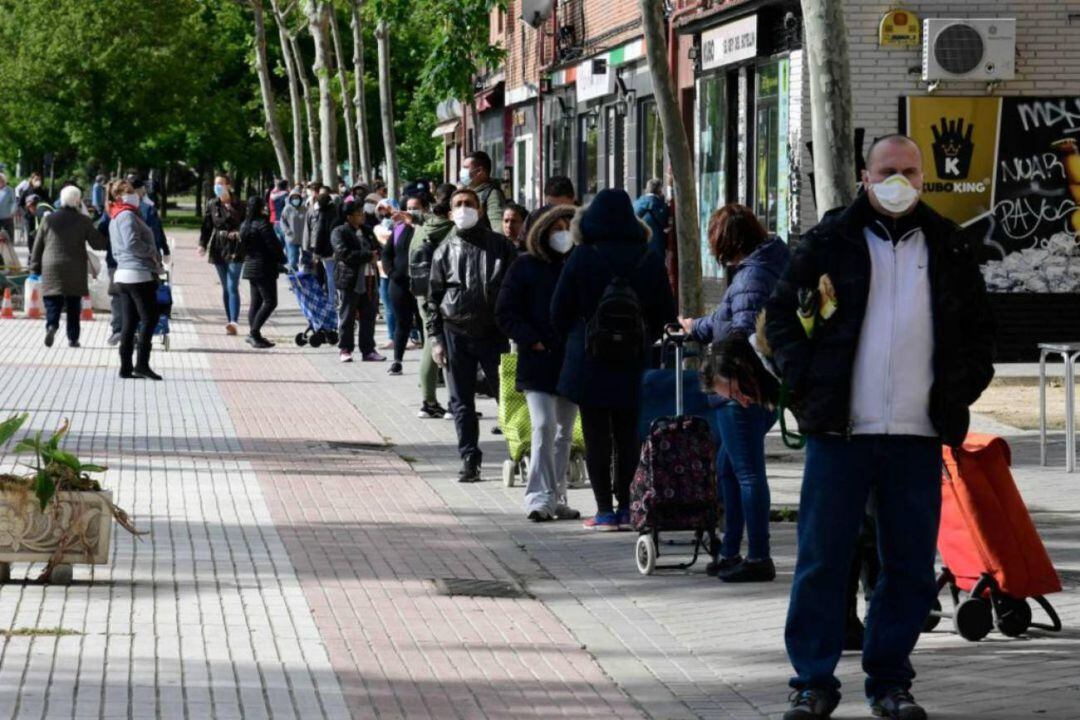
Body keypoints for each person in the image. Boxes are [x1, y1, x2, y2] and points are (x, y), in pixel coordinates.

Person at [765, 135, 995, 720]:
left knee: (910, 565)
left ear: (924, 179)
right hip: (841, 433)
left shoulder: (949, 246)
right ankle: (811, 682)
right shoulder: (828, 241)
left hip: (916, 436)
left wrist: (954, 393)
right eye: (887, 170)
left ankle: (890, 681)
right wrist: (810, 386)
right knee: (822, 559)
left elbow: (979, 335)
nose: (899, 181)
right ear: (865, 178)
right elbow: (779, 321)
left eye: (910, 172)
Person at [551, 188, 675, 531]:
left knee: (596, 436)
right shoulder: (647, 257)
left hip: (590, 360)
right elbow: (667, 312)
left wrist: (576, 335)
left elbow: (558, 310)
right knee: (628, 435)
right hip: (634, 358)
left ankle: (604, 511)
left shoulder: (583, 255)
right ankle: (627, 507)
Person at [677, 204, 789, 582]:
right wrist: (697, 326)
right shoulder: (761, 268)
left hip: (741, 387)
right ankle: (730, 550)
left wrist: (723, 373)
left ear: (729, 242)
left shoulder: (752, 276)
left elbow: (741, 330)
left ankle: (758, 556)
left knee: (747, 473)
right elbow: (729, 319)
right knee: (728, 466)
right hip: (755, 387)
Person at [495, 205, 580, 521]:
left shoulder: (578, 265)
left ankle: (556, 496)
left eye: (567, 226)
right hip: (538, 361)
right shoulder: (524, 266)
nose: (563, 233)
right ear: (543, 231)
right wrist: (532, 340)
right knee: (544, 425)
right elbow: (505, 313)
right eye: (557, 227)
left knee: (564, 433)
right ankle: (537, 497)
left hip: (571, 361)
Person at [426, 188, 518, 482]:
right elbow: (433, 299)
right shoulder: (443, 250)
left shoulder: (501, 247)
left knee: (507, 396)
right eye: (459, 205)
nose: (464, 209)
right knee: (461, 401)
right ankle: (469, 457)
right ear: (450, 213)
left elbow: (517, 288)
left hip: (493, 332)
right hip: (456, 333)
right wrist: (436, 339)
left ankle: (520, 452)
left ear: (479, 209)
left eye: (469, 204)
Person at [29, 185, 107, 348]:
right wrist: (106, 234)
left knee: (52, 299)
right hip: (75, 266)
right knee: (73, 303)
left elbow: (38, 245)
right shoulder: (84, 221)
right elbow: (97, 244)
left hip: (51, 265)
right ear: (77, 201)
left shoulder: (48, 219)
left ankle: (52, 325)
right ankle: (73, 338)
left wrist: (34, 267)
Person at [108, 179, 164, 380]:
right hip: (137, 273)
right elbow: (132, 243)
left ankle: (126, 367)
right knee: (150, 318)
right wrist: (152, 252)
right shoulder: (127, 216)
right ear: (120, 196)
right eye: (130, 192)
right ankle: (141, 364)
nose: (136, 195)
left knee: (130, 322)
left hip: (125, 273)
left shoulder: (117, 215)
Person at [409, 183, 455, 419]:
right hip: (447, 294)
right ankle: (448, 402)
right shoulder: (452, 229)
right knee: (445, 344)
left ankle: (428, 400)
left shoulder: (421, 228)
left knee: (430, 340)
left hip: (421, 292)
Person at [381, 194, 426, 375]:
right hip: (399, 284)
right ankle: (397, 361)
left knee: (425, 323)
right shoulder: (399, 229)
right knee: (402, 323)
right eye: (408, 207)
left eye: (415, 207)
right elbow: (386, 254)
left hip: (422, 284)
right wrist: (392, 272)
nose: (411, 211)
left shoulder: (426, 228)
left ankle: (432, 366)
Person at [332, 200, 379, 363]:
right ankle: (345, 348)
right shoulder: (339, 232)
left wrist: (375, 254)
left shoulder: (367, 231)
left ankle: (368, 350)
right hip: (349, 279)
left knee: (369, 315)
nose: (363, 216)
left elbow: (377, 249)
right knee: (347, 315)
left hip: (370, 278)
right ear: (349, 217)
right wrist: (367, 256)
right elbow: (345, 255)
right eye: (359, 213)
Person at [198, 174, 245, 335]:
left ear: (228, 186)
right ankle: (229, 320)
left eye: (221, 184)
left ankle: (234, 322)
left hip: (236, 249)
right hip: (218, 248)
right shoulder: (212, 204)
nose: (217, 187)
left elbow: (246, 225)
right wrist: (202, 245)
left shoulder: (239, 204)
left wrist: (239, 233)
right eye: (215, 184)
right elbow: (206, 227)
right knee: (226, 287)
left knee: (232, 285)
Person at [239, 196, 286, 348]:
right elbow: (273, 245)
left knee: (256, 302)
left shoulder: (245, 225)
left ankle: (255, 334)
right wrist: (282, 260)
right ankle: (254, 333)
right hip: (264, 267)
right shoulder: (262, 224)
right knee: (270, 302)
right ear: (261, 208)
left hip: (251, 266)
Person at [459, 150, 506, 231]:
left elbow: (498, 228)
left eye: (466, 168)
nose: (461, 172)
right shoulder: (468, 192)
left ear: (480, 171)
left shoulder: (492, 194)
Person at [634, 178, 669, 259]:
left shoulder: (636, 202)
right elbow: (664, 222)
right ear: (659, 190)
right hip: (655, 245)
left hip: (638, 245)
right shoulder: (656, 203)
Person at [280, 188, 306, 272]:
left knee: (306, 260)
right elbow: (282, 222)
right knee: (292, 261)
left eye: (297, 198)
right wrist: (288, 232)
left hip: (304, 239)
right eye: (293, 198)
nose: (295, 200)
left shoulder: (304, 209)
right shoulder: (287, 209)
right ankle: (293, 279)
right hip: (291, 239)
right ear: (290, 199)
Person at [0, 173, 16, 243]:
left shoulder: (9, 190)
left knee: (8, 238)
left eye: (1, 180)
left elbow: (14, 202)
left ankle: (8, 253)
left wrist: (12, 212)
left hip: (7, 218)